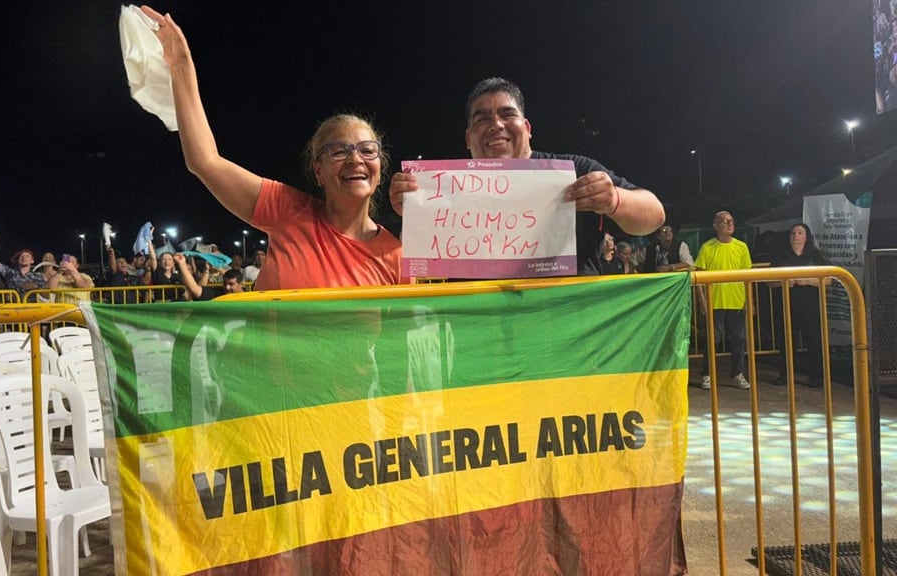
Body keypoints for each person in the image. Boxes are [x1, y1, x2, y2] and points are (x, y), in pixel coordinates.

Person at [141, 6, 401, 290]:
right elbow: (205, 161)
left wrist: (422, 213)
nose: (355, 158)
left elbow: (410, 328)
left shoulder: (394, 253)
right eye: (339, 151)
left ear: (380, 164)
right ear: (318, 171)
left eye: (367, 149)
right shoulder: (288, 210)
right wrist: (180, 66)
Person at [388, 77, 665, 275]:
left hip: (570, 333)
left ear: (527, 127)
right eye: (482, 119)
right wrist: (415, 214)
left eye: (507, 114)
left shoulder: (574, 171)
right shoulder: (444, 189)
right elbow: (418, 266)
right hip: (484, 338)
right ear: (468, 137)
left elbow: (654, 216)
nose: (496, 125)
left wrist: (614, 200)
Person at [694, 211, 752, 390]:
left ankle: (737, 373)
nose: (729, 224)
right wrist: (703, 303)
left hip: (736, 301)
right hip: (715, 301)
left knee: (739, 339)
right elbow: (698, 279)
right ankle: (707, 374)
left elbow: (748, 277)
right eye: (724, 221)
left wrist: (750, 301)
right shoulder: (708, 247)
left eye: (731, 221)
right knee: (713, 339)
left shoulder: (742, 247)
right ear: (715, 226)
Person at [772, 223, 831, 388]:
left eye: (800, 233)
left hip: (810, 307)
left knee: (814, 341)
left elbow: (828, 280)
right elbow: (769, 282)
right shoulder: (781, 257)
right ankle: (786, 375)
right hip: (786, 306)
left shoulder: (815, 256)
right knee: (786, 342)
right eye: (793, 233)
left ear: (807, 237)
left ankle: (817, 376)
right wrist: (783, 282)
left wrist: (808, 281)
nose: (796, 236)